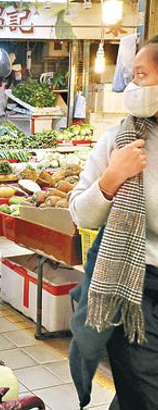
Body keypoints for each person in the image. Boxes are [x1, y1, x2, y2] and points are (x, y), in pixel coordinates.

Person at [68, 35, 158, 410]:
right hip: (134, 288)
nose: (134, 85)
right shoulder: (120, 140)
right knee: (144, 393)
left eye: (142, 75)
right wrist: (113, 178)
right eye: (132, 75)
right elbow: (80, 213)